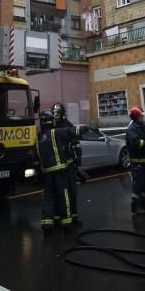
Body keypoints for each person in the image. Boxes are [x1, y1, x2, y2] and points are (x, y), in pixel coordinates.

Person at [36, 109, 88, 237]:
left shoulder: (38, 139)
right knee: (63, 196)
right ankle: (66, 224)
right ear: (50, 121)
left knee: (48, 198)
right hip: (59, 172)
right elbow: (72, 131)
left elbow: (36, 160)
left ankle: (47, 225)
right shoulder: (55, 133)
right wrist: (85, 128)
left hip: (47, 174)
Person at [52, 102, 83, 225]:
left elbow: (76, 141)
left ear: (62, 113)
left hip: (69, 165)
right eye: (54, 113)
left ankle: (74, 216)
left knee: (71, 191)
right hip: (57, 166)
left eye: (57, 113)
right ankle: (58, 216)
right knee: (58, 192)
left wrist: (78, 156)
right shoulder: (52, 126)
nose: (55, 116)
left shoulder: (67, 125)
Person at [126, 106, 145, 215]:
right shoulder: (132, 128)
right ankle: (135, 206)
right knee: (138, 183)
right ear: (136, 117)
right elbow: (136, 143)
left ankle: (144, 203)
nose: (142, 116)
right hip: (137, 161)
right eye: (141, 115)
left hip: (144, 160)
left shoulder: (141, 126)